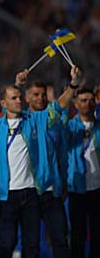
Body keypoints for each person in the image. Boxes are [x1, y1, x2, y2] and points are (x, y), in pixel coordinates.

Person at [0, 66, 81, 257]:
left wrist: (73, 85)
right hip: (7, 194)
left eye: (20, 97)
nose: (19, 100)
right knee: (5, 243)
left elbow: (59, 106)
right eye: (14, 98)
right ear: (3, 103)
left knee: (32, 244)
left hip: (31, 193)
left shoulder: (34, 119)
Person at [15, 72, 69, 258]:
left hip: (51, 190)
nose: (41, 98)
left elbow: (63, 156)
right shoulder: (20, 122)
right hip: (29, 191)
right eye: (36, 94)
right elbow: (11, 107)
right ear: (27, 97)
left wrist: (63, 181)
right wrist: (18, 85)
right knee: (31, 244)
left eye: (43, 94)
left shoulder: (56, 123)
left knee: (60, 239)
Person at [63, 87, 100, 258]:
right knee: (77, 234)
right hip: (76, 188)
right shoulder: (69, 127)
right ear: (76, 104)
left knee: (97, 234)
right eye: (83, 100)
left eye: (91, 100)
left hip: (97, 188)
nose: (88, 104)